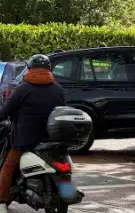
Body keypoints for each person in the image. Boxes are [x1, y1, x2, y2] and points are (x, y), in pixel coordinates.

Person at [0, 54, 66, 212]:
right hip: (51, 138)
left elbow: (6, 111)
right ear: (49, 69)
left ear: (29, 69)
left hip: (25, 139)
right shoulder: (58, 88)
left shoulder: (23, 88)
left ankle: (1, 202)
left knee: (7, 168)